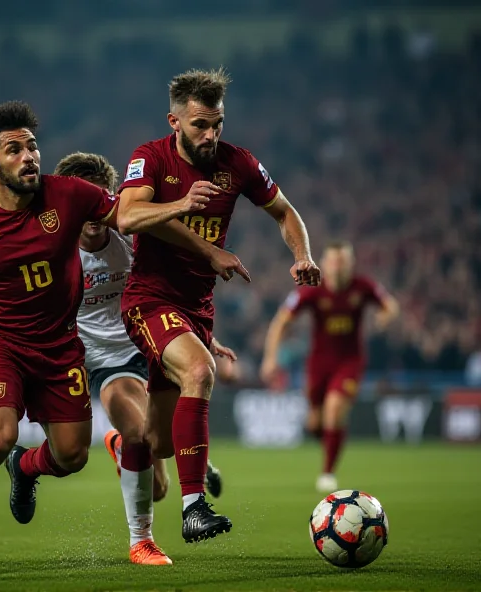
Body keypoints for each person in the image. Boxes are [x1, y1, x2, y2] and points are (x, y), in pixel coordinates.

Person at [0, 101, 248, 569]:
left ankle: (27, 465)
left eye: (33, 146)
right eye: (14, 150)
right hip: (2, 343)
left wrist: (197, 246)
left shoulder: (73, 197)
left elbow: (134, 219)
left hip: (62, 351)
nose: (29, 156)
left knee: (75, 456)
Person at [116, 68, 321, 543]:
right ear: (174, 121)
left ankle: (129, 443)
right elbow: (127, 216)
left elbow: (285, 211)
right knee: (201, 371)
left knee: (158, 441)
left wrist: (302, 255)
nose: (210, 135)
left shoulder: (238, 163)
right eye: (199, 125)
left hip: (196, 309)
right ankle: (194, 509)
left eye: (218, 124)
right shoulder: (149, 158)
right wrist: (183, 204)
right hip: (148, 299)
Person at [55, 152, 235, 565]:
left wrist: (202, 336)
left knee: (159, 484)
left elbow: (159, 294)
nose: (94, 211)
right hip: (105, 363)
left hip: (148, 344)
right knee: (140, 439)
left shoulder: (132, 240)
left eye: (102, 199)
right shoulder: (55, 254)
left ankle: (131, 446)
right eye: (83, 202)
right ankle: (141, 542)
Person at [260, 240, 399, 492]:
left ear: (351, 264)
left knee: (334, 410)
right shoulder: (312, 289)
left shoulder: (363, 286)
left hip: (350, 362)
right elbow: (281, 321)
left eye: (343, 261)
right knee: (315, 424)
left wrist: (385, 316)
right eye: (334, 261)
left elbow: (390, 305)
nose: (338, 266)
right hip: (318, 364)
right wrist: (271, 358)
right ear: (323, 264)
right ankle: (329, 437)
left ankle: (327, 472)